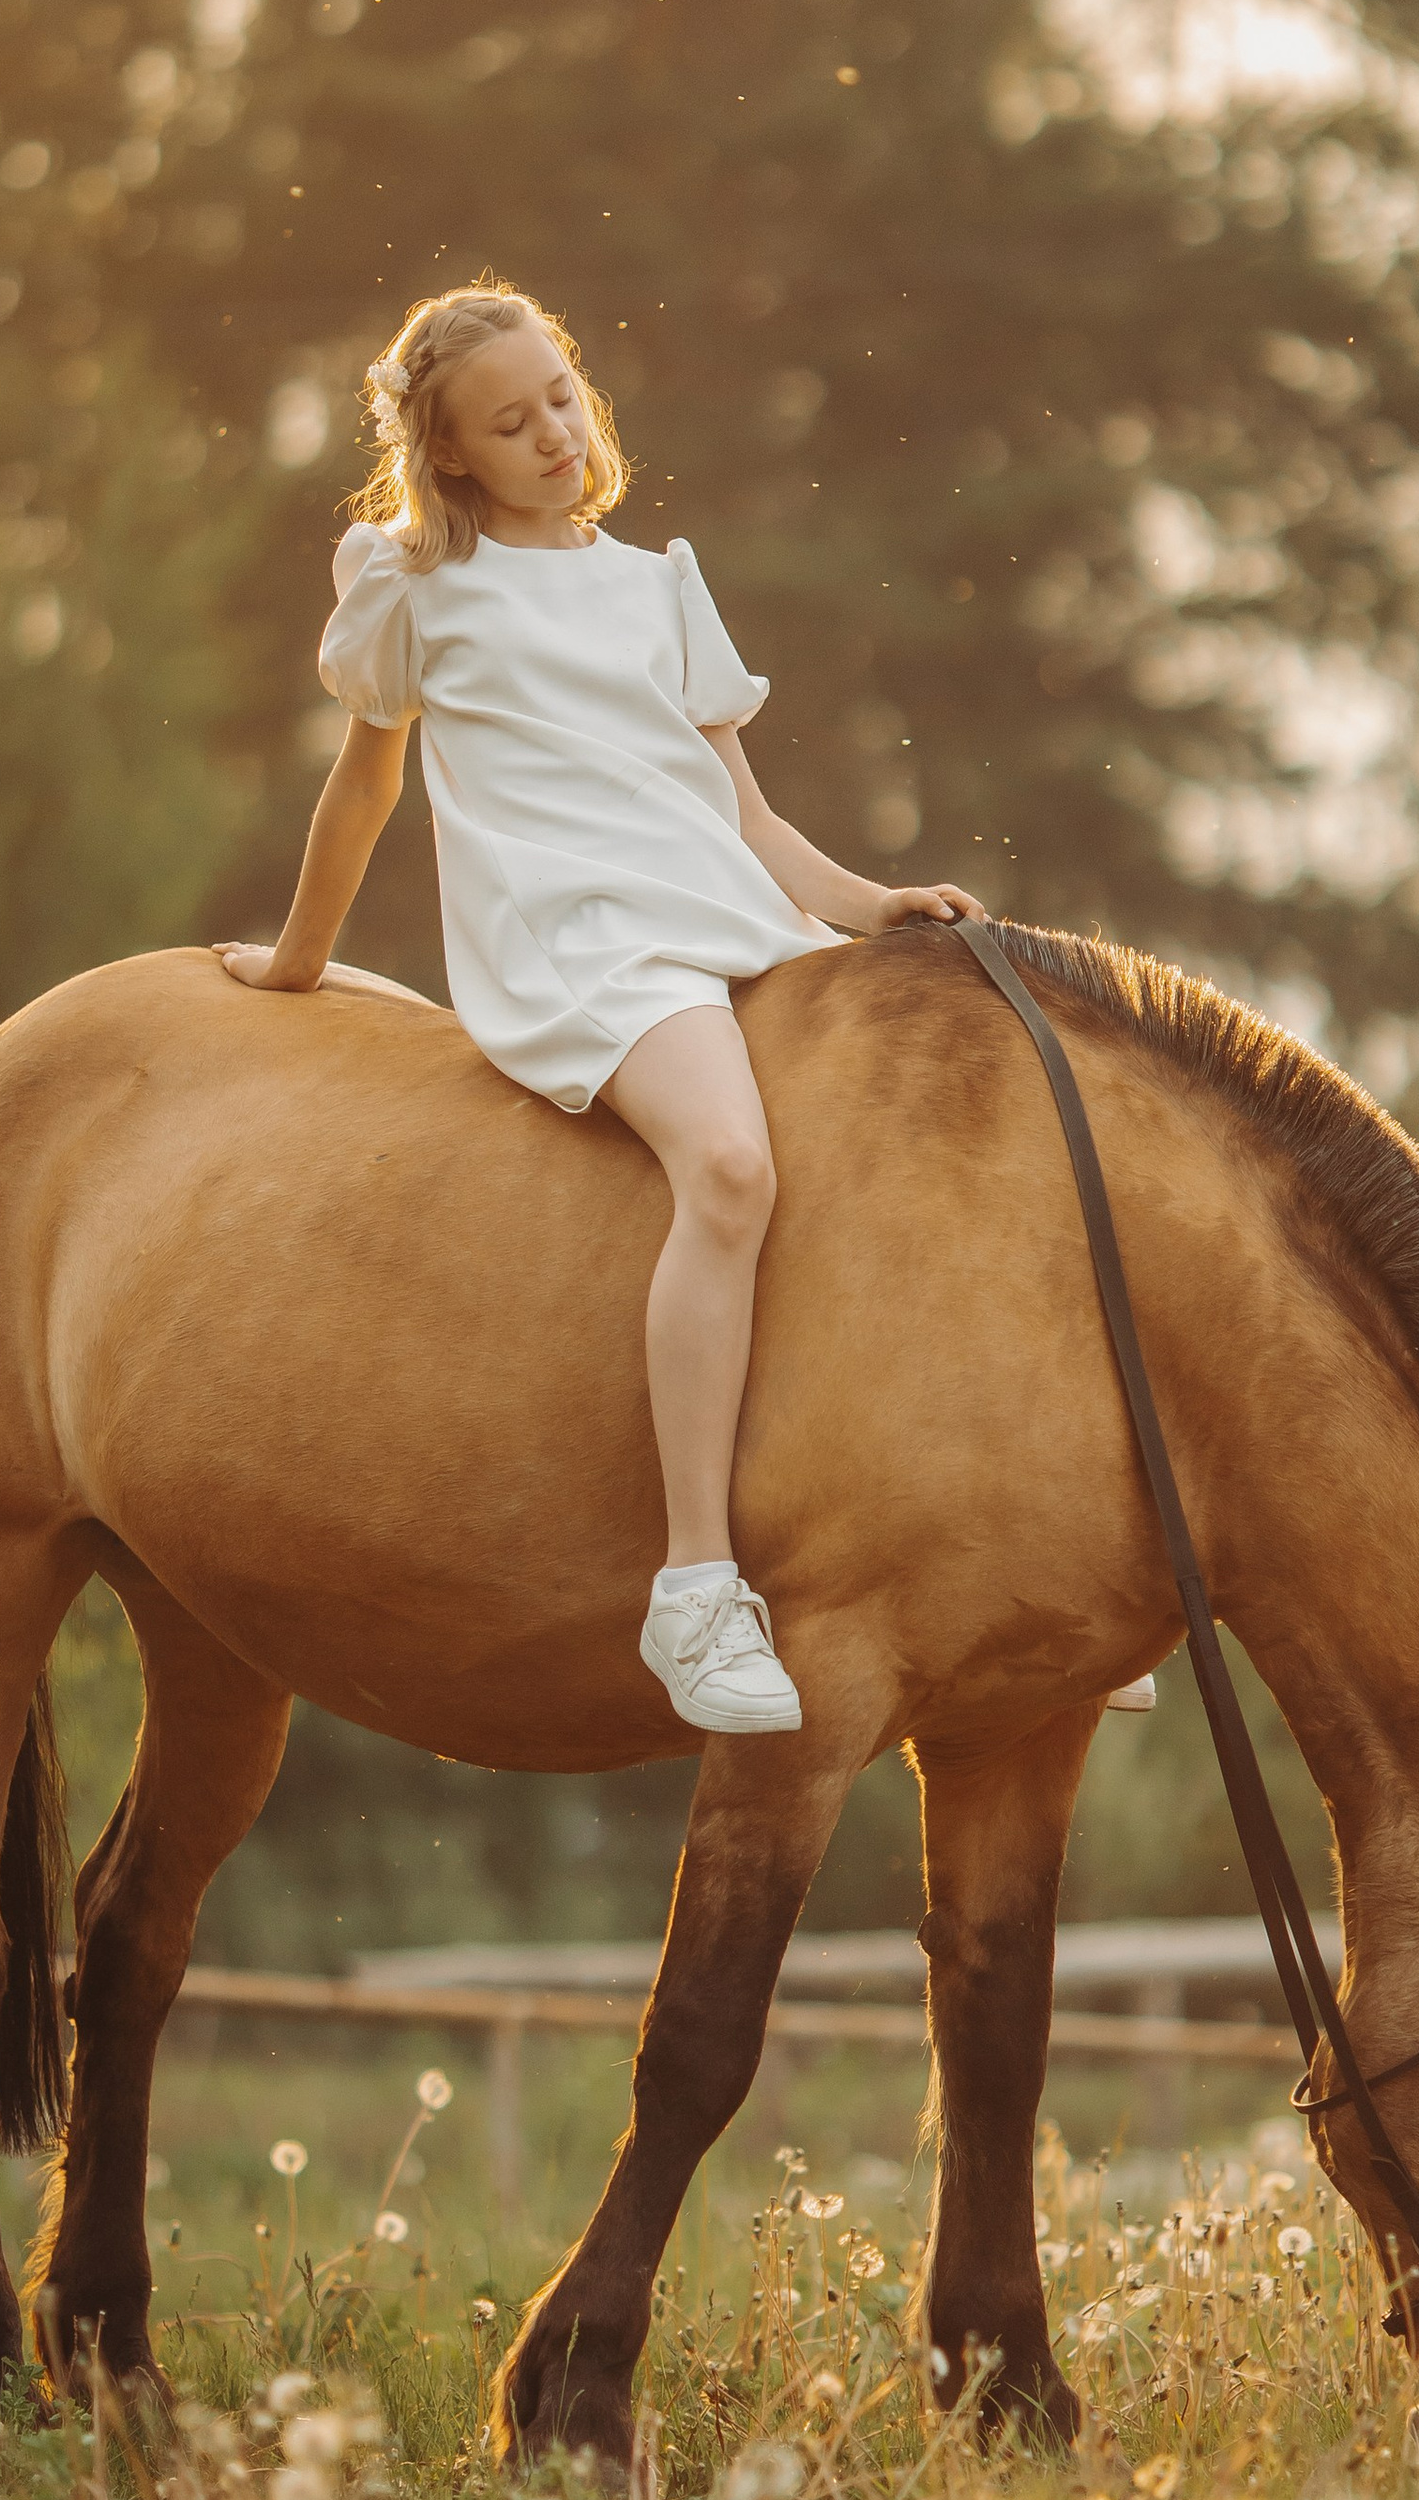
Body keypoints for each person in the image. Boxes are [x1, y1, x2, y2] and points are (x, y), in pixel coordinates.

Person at [220, 274, 1157, 1736]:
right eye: (510, 424)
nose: (553, 433)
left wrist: (869, 904)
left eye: (560, 398)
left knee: (949, 1133)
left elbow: (748, 815)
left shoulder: (658, 582)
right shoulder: (411, 587)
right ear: (448, 452)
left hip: (725, 916)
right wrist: (295, 960)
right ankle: (697, 1586)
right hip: (584, 941)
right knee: (728, 1165)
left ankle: (1015, 1536)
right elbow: (365, 787)